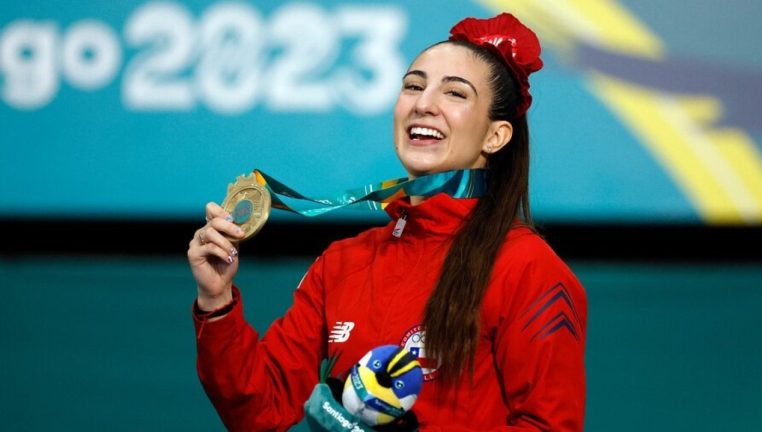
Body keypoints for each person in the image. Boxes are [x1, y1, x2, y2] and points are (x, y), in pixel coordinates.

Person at [188, 12, 587, 431]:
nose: (423, 103)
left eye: (455, 93)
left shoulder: (528, 269)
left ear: (496, 136)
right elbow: (258, 411)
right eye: (413, 86)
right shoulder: (343, 263)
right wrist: (216, 301)